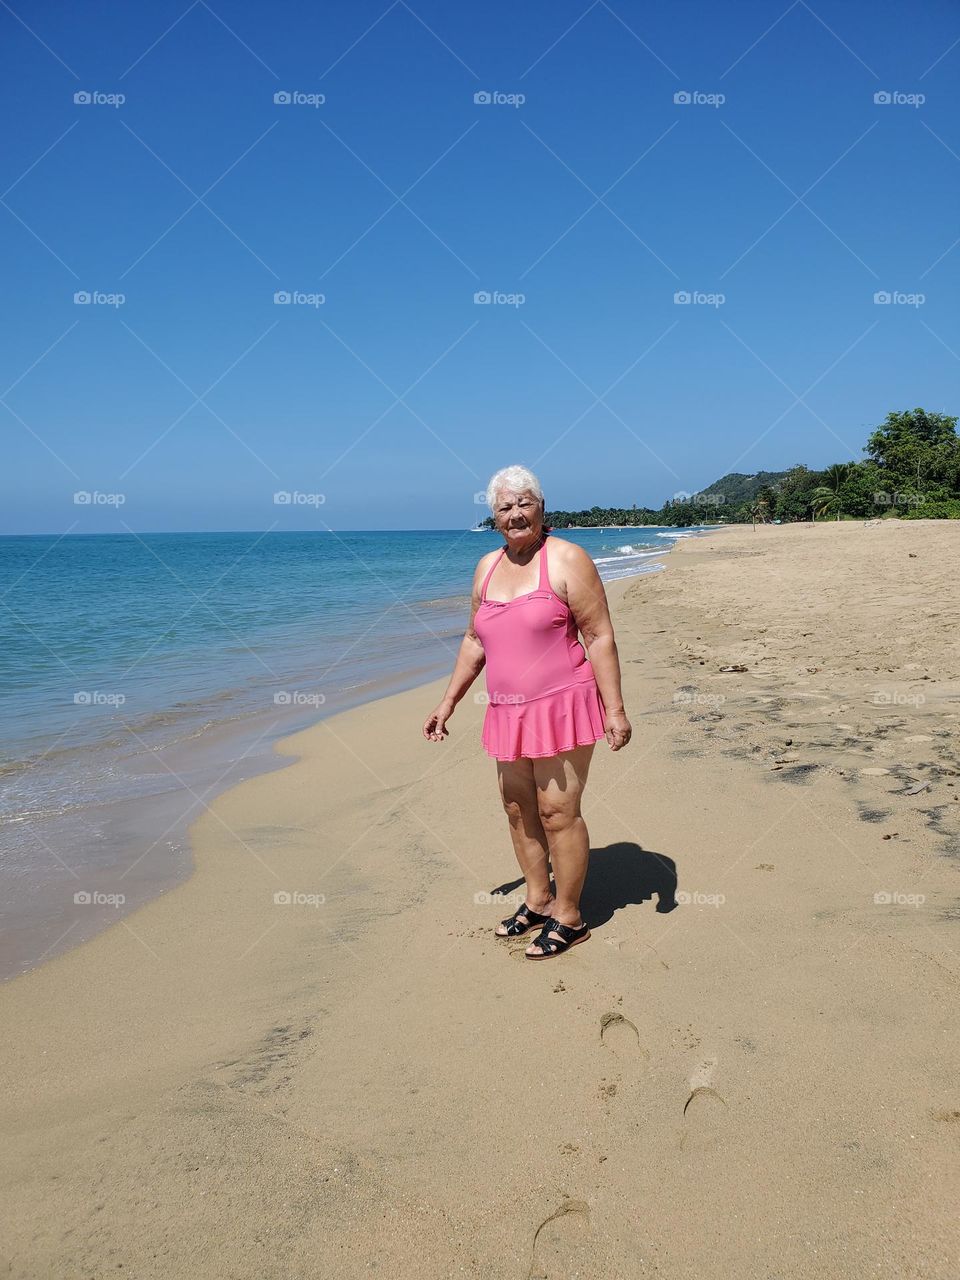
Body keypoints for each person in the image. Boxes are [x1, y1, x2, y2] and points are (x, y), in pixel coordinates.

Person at [422, 464, 632, 959]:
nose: (515, 513)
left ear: (541, 507)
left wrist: (616, 709)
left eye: (524, 503)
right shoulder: (486, 567)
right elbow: (475, 639)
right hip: (507, 711)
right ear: (492, 516)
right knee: (518, 810)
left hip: (563, 706)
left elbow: (599, 634)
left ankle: (569, 916)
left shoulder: (567, 559)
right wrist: (448, 701)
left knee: (557, 812)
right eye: (504, 506)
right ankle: (538, 901)